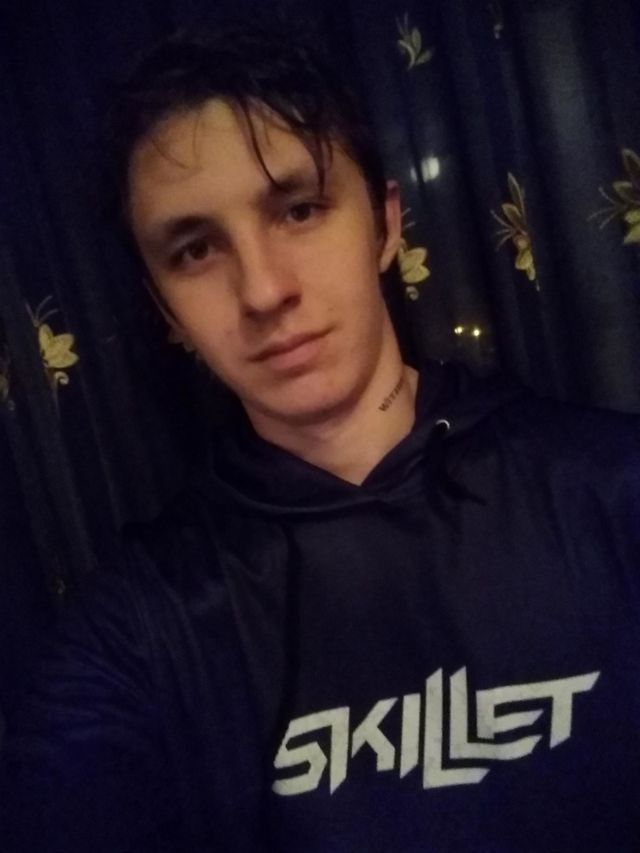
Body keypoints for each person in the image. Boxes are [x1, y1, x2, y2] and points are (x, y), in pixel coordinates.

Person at [1, 16, 640, 853]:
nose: (263, 290)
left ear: (384, 224)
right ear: (165, 309)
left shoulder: (612, 491)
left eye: (299, 209)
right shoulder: (142, 630)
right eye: (194, 250)